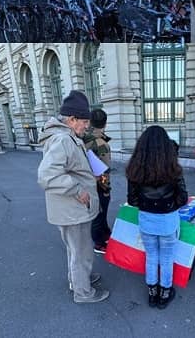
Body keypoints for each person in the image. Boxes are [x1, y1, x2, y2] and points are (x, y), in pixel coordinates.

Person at [36, 90, 110, 303]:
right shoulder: (63, 140)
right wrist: (78, 190)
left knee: (76, 249)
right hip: (73, 208)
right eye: (84, 121)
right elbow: (46, 175)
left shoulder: (66, 137)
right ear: (72, 119)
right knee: (81, 252)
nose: (87, 126)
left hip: (70, 209)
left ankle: (78, 280)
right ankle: (83, 292)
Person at [126, 125, 188, 309]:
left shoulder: (135, 170)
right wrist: (169, 205)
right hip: (168, 220)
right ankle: (165, 293)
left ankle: (152, 294)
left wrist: (148, 205)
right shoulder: (173, 168)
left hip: (147, 220)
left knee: (151, 256)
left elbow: (132, 200)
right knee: (167, 258)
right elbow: (183, 197)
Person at [82, 108, 113, 255]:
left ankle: (105, 233)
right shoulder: (101, 144)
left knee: (97, 213)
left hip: (85, 183)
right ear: (105, 124)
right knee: (99, 213)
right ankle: (99, 243)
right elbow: (103, 171)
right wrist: (106, 189)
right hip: (99, 185)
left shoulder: (82, 138)